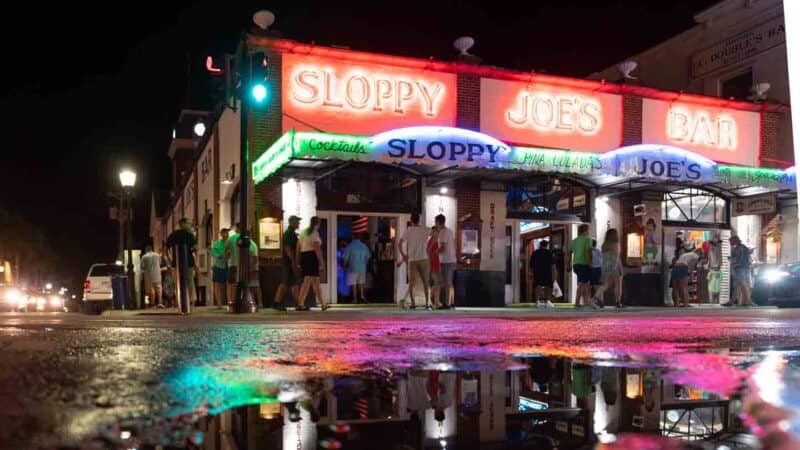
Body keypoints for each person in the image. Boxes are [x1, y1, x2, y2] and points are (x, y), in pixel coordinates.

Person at [398, 213, 430, 310]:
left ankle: (413, 304)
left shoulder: (409, 231)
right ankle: (427, 304)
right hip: (424, 258)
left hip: (412, 260)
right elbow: (435, 233)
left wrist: (404, 255)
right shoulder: (425, 229)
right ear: (419, 220)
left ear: (411, 221)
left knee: (412, 283)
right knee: (426, 282)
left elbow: (399, 244)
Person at [297, 216, 329, 311]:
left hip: (304, 256)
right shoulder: (314, 233)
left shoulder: (303, 232)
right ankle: (300, 303)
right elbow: (317, 249)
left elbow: (298, 247)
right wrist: (322, 262)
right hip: (311, 257)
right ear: (318, 224)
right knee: (308, 280)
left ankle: (323, 304)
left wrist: (298, 260)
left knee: (315, 281)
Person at [166, 218, 197, 306]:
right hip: (189, 262)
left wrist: (170, 260)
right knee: (189, 281)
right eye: (188, 223)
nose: (190, 225)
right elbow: (195, 248)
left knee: (177, 282)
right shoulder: (190, 235)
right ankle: (189, 302)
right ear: (182, 223)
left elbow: (166, 248)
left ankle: (179, 302)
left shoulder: (173, 234)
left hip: (176, 262)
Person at [274, 216, 301, 311]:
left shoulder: (291, 233)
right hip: (288, 262)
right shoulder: (289, 234)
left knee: (293, 283)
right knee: (285, 282)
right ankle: (277, 302)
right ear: (291, 222)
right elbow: (288, 248)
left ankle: (298, 304)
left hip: (289, 262)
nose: (298, 224)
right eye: (297, 222)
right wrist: (293, 262)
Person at [595, 229, 624, 308]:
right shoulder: (616, 244)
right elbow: (616, 256)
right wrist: (615, 267)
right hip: (615, 266)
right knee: (618, 284)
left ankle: (600, 300)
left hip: (605, 265)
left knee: (605, 283)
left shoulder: (604, 245)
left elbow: (603, 256)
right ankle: (617, 302)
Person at [435, 214, 457, 309]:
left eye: (436, 222)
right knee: (448, 282)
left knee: (446, 282)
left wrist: (434, 253)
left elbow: (443, 248)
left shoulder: (443, 232)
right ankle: (450, 302)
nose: (435, 224)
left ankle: (447, 303)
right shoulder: (450, 231)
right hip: (451, 260)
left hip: (446, 261)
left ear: (439, 222)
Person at [569, 224, 594, 309]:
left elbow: (569, 253)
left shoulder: (574, 240)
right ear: (585, 231)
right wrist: (591, 263)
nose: (589, 232)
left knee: (585, 283)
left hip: (576, 264)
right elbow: (589, 251)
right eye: (588, 230)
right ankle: (577, 302)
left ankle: (585, 302)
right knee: (583, 284)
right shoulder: (588, 239)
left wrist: (568, 264)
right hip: (584, 264)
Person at [344, 232, 372, 304]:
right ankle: (362, 297)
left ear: (353, 237)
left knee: (353, 284)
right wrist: (364, 263)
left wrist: (344, 266)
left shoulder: (349, 246)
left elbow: (345, 259)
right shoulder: (364, 246)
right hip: (362, 268)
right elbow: (368, 256)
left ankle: (355, 299)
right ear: (359, 238)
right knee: (361, 283)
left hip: (352, 267)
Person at [530, 240, 556, 308]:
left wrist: (531, 273)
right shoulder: (549, 253)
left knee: (537, 285)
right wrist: (554, 274)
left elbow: (531, 265)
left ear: (540, 245)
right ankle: (548, 301)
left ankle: (537, 302)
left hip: (537, 272)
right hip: (547, 272)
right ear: (547, 245)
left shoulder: (535, 253)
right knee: (548, 286)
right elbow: (553, 265)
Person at [728, 235, 753, 307]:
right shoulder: (742, 247)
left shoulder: (739, 248)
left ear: (734, 240)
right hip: (743, 268)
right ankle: (732, 301)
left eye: (731, 241)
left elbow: (740, 259)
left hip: (740, 268)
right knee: (737, 285)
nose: (730, 243)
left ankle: (747, 301)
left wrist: (734, 263)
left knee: (742, 285)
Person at [210, 228, 230, 308]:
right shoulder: (217, 244)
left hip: (229, 265)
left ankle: (230, 302)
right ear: (221, 234)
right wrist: (220, 256)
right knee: (218, 285)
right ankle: (219, 303)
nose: (226, 235)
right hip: (218, 266)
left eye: (227, 233)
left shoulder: (230, 242)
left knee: (229, 284)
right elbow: (213, 253)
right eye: (225, 233)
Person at [427, 227, 444, 309]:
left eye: (438, 232)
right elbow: (428, 252)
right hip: (433, 264)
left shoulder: (437, 241)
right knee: (436, 283)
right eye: (436, 232)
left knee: (437, 284)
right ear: (433, 232)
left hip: (436, 264)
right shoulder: (432, 241)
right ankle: (434, 301)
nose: (437, 233)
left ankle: (436, 301)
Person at [225, 223, 241, 305]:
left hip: (232, 264)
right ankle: (238, 299)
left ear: (236, 228)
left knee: (231, 283)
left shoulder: (231, 238)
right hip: (242, 265)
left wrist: (225, 258)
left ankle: (230, 300)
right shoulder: (246, 238)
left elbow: (226, 251)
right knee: (239, 283)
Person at [247, 229, 261, 308]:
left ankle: (259, 302)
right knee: (252, 286)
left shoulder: (251, 244)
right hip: (252, 267)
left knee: (255, 286)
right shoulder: (251, 244)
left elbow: (254, 258)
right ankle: (253, 301)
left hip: (253, 268)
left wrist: (251, 267)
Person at [590, 239, 603, 307]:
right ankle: (601, 301)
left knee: (595, 286)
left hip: (594, 269)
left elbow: (590, 261)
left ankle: (597, 300)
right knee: (599, 285)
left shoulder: (590, 251)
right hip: (600, 269)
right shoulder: (598, 251)